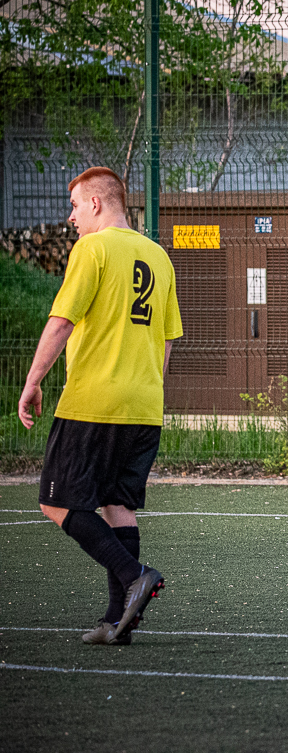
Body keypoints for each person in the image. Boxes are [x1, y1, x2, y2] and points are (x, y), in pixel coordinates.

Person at [19, 166, 182, 645]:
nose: (71, 217)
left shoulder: (92, 249)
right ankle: (117, 622)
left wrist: (32, 381)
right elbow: (168, 340)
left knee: (55, 502)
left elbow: (62, 321)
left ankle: (135, 575)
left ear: (95, 203)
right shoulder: (159, 257)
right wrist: (148, 388)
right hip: (145, 405)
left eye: (74, 205)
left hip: (94, 403)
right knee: (117, 504)